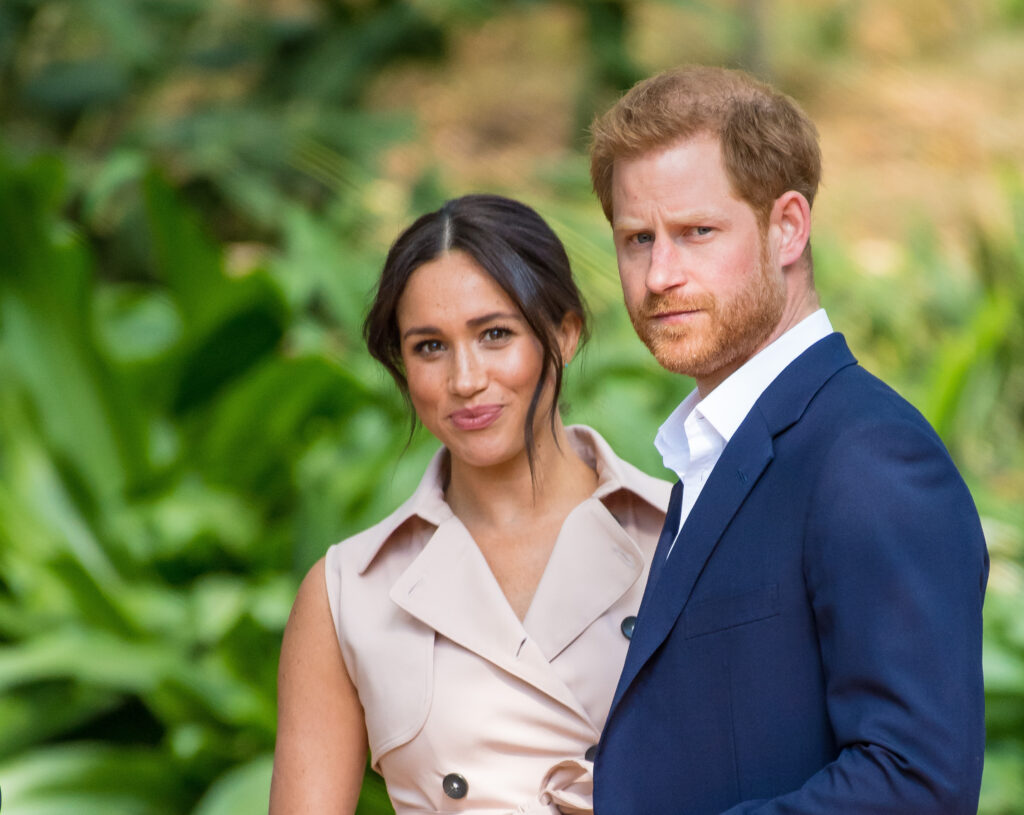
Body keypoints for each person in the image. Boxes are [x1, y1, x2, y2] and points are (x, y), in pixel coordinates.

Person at [587, 66, 988, 814]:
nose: (660, 274)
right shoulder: (711, 450)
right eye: (637, 239)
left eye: (696, 232)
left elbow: (918, 783)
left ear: (788, 227)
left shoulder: (868, 457)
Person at [269, 194, 671, 814]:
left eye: (495, 335)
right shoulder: (347, 592)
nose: (465, 380)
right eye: (430, 347)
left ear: (564, 334)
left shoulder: (685, 535)